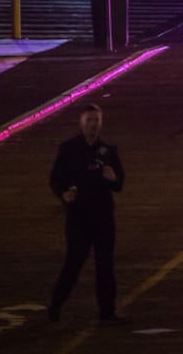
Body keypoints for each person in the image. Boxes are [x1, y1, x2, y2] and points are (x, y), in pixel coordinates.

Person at [48, 104, 126, 324]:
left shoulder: (107, 151)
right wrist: (63, 194)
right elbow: (55, 179)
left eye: (97, 120)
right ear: (81, 122)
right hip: (79, 217)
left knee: (105, 265)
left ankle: (107, 313)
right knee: (73, 263)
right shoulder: (68, 149)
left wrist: (113, 178)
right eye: (90, 120)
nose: (93, 124)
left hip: (102, 216)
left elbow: (119, 183)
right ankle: (55, 306)